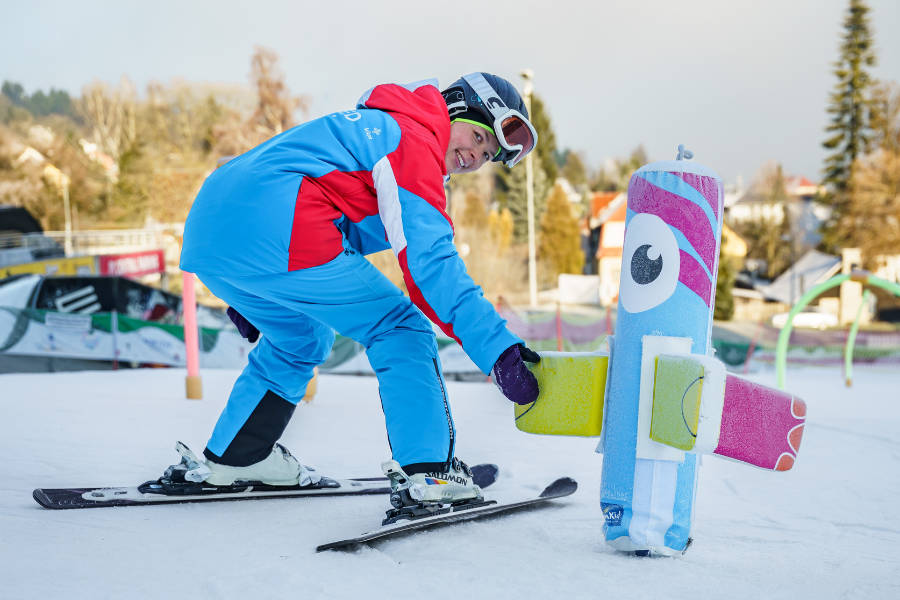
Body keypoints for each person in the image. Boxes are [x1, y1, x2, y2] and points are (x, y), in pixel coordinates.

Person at [175, 72, 542, 512]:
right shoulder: (412, 139)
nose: (473, 157)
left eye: (486, 155)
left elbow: (330, 209)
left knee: (300, 338)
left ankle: (238, 456)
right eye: (478, 137)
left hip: (212, 233)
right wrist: (498, 348)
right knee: (401, 329)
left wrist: (259, 285)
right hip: (280, 228)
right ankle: (430, 473)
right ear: (454, 107)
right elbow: (430, 265)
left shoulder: (373, 128)